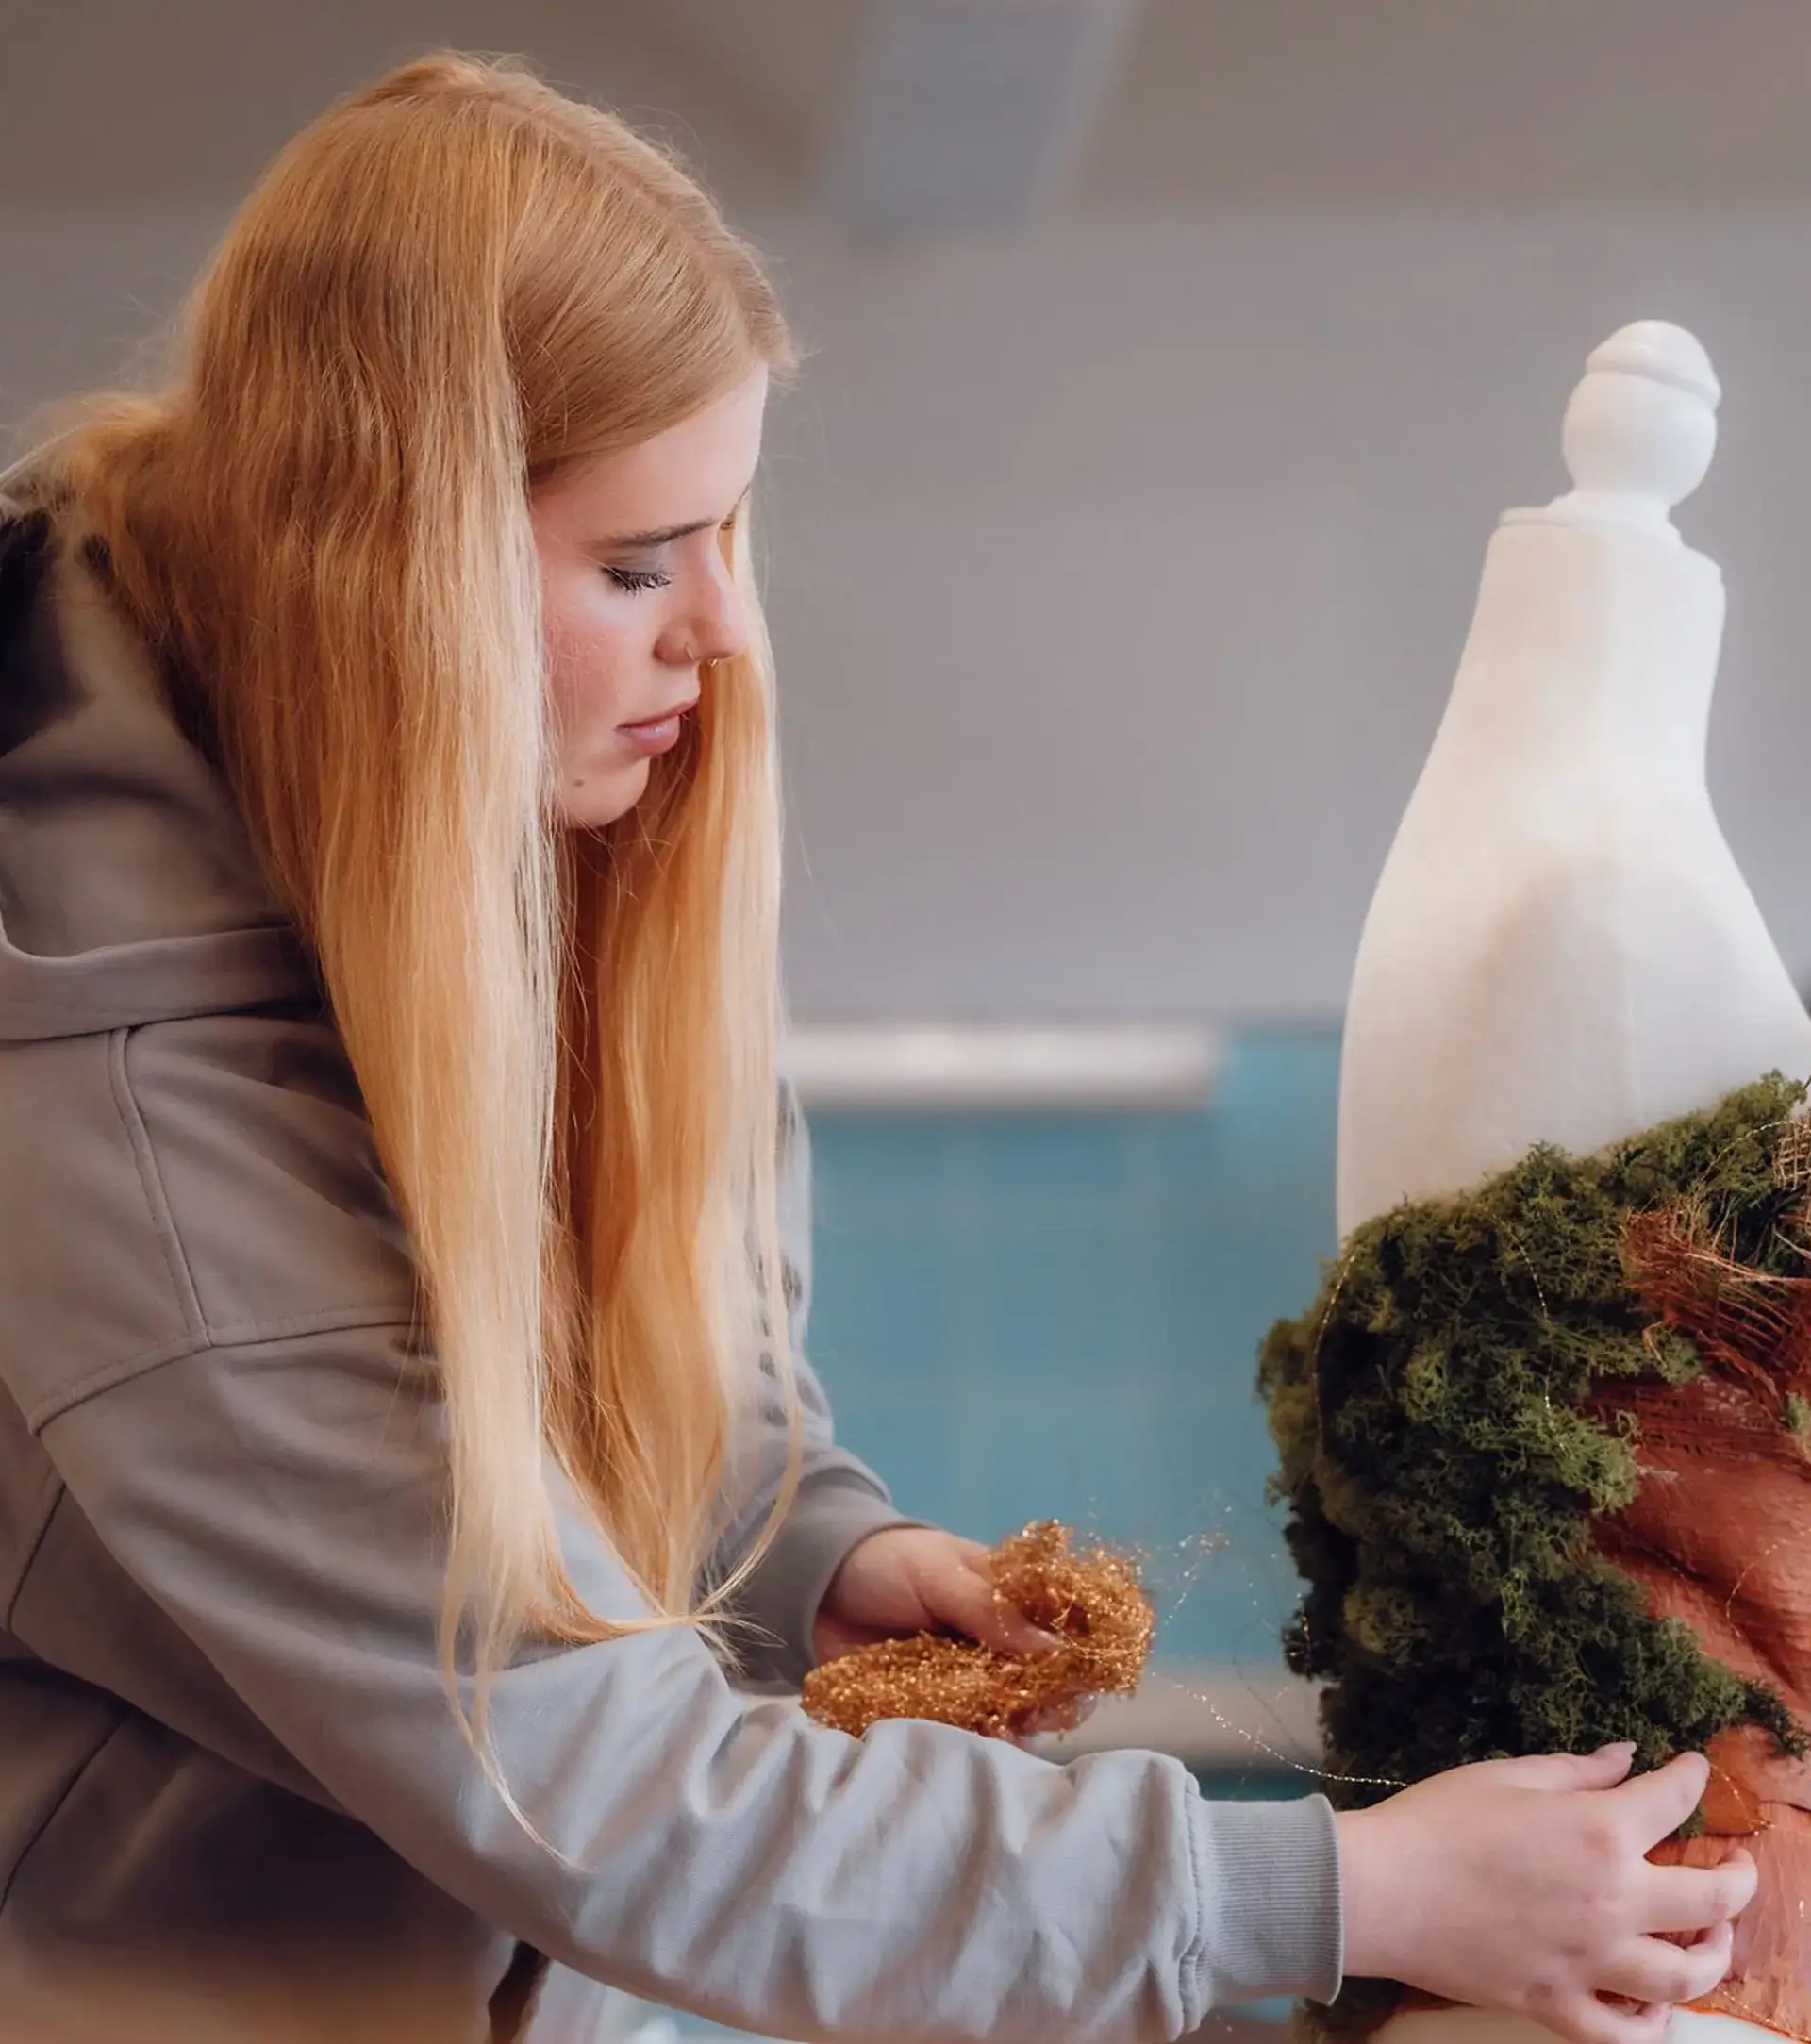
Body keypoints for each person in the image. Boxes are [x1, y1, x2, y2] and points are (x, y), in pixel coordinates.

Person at [0, 50, 1753, 2044]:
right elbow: (607, 1787)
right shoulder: (122, 1136)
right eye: (636, 564)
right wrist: (1351, 1892)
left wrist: (808, 1544)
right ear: (388, 583)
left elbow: (600, 1373)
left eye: (725, 535)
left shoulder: (466, 837)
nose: (722, 631)